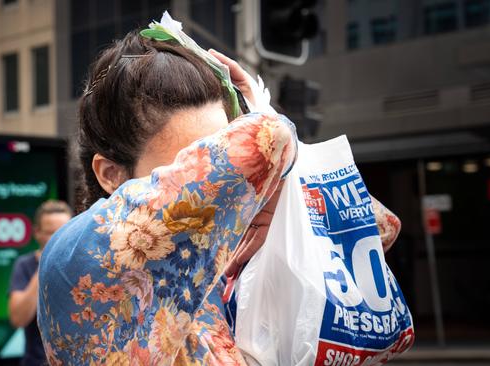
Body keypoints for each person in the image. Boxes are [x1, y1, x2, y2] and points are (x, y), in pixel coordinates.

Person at [38, 27, 401, 365]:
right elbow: (266, 139)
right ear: (111, 175)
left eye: (217, 153)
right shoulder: (74, 257)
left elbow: (381, 229)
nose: (224, 184)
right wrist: (264, 120)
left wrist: (283, 183)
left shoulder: (224, 262)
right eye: (190, 167)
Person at [8, 200, 72, 366]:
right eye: (52, 232)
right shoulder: (25, 265)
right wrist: (46, 262)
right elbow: (18, 319)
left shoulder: (80, 263)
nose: (59, 237)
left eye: (64, 230)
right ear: (37, 233)